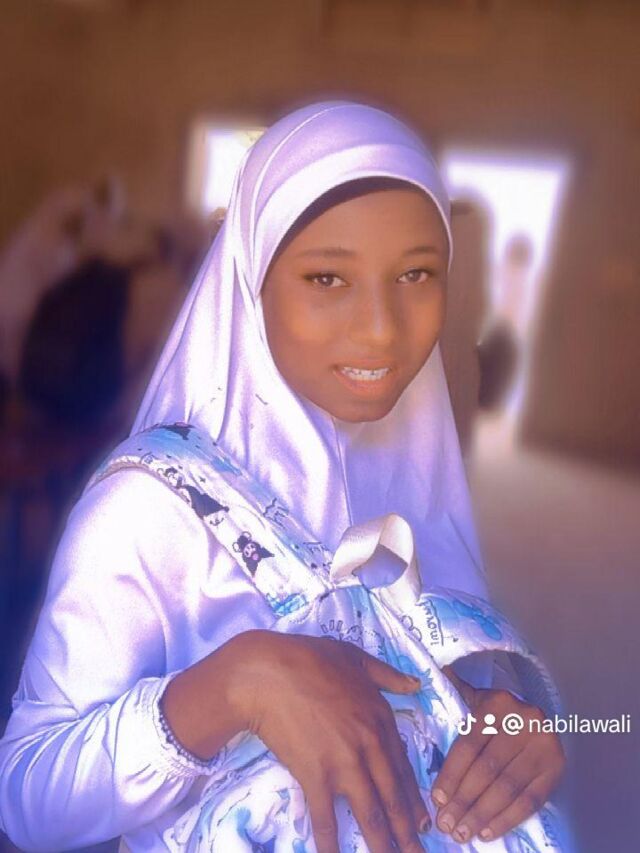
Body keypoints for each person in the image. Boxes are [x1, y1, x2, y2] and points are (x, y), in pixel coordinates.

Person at [0, 102, 569, 853]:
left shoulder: (418, 489)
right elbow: (26, 795)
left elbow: (448, 698)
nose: (381, 328)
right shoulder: (151, 507)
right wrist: (236, 686)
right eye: (327, 277)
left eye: (416, 273)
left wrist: (521, 733)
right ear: (252, 280)